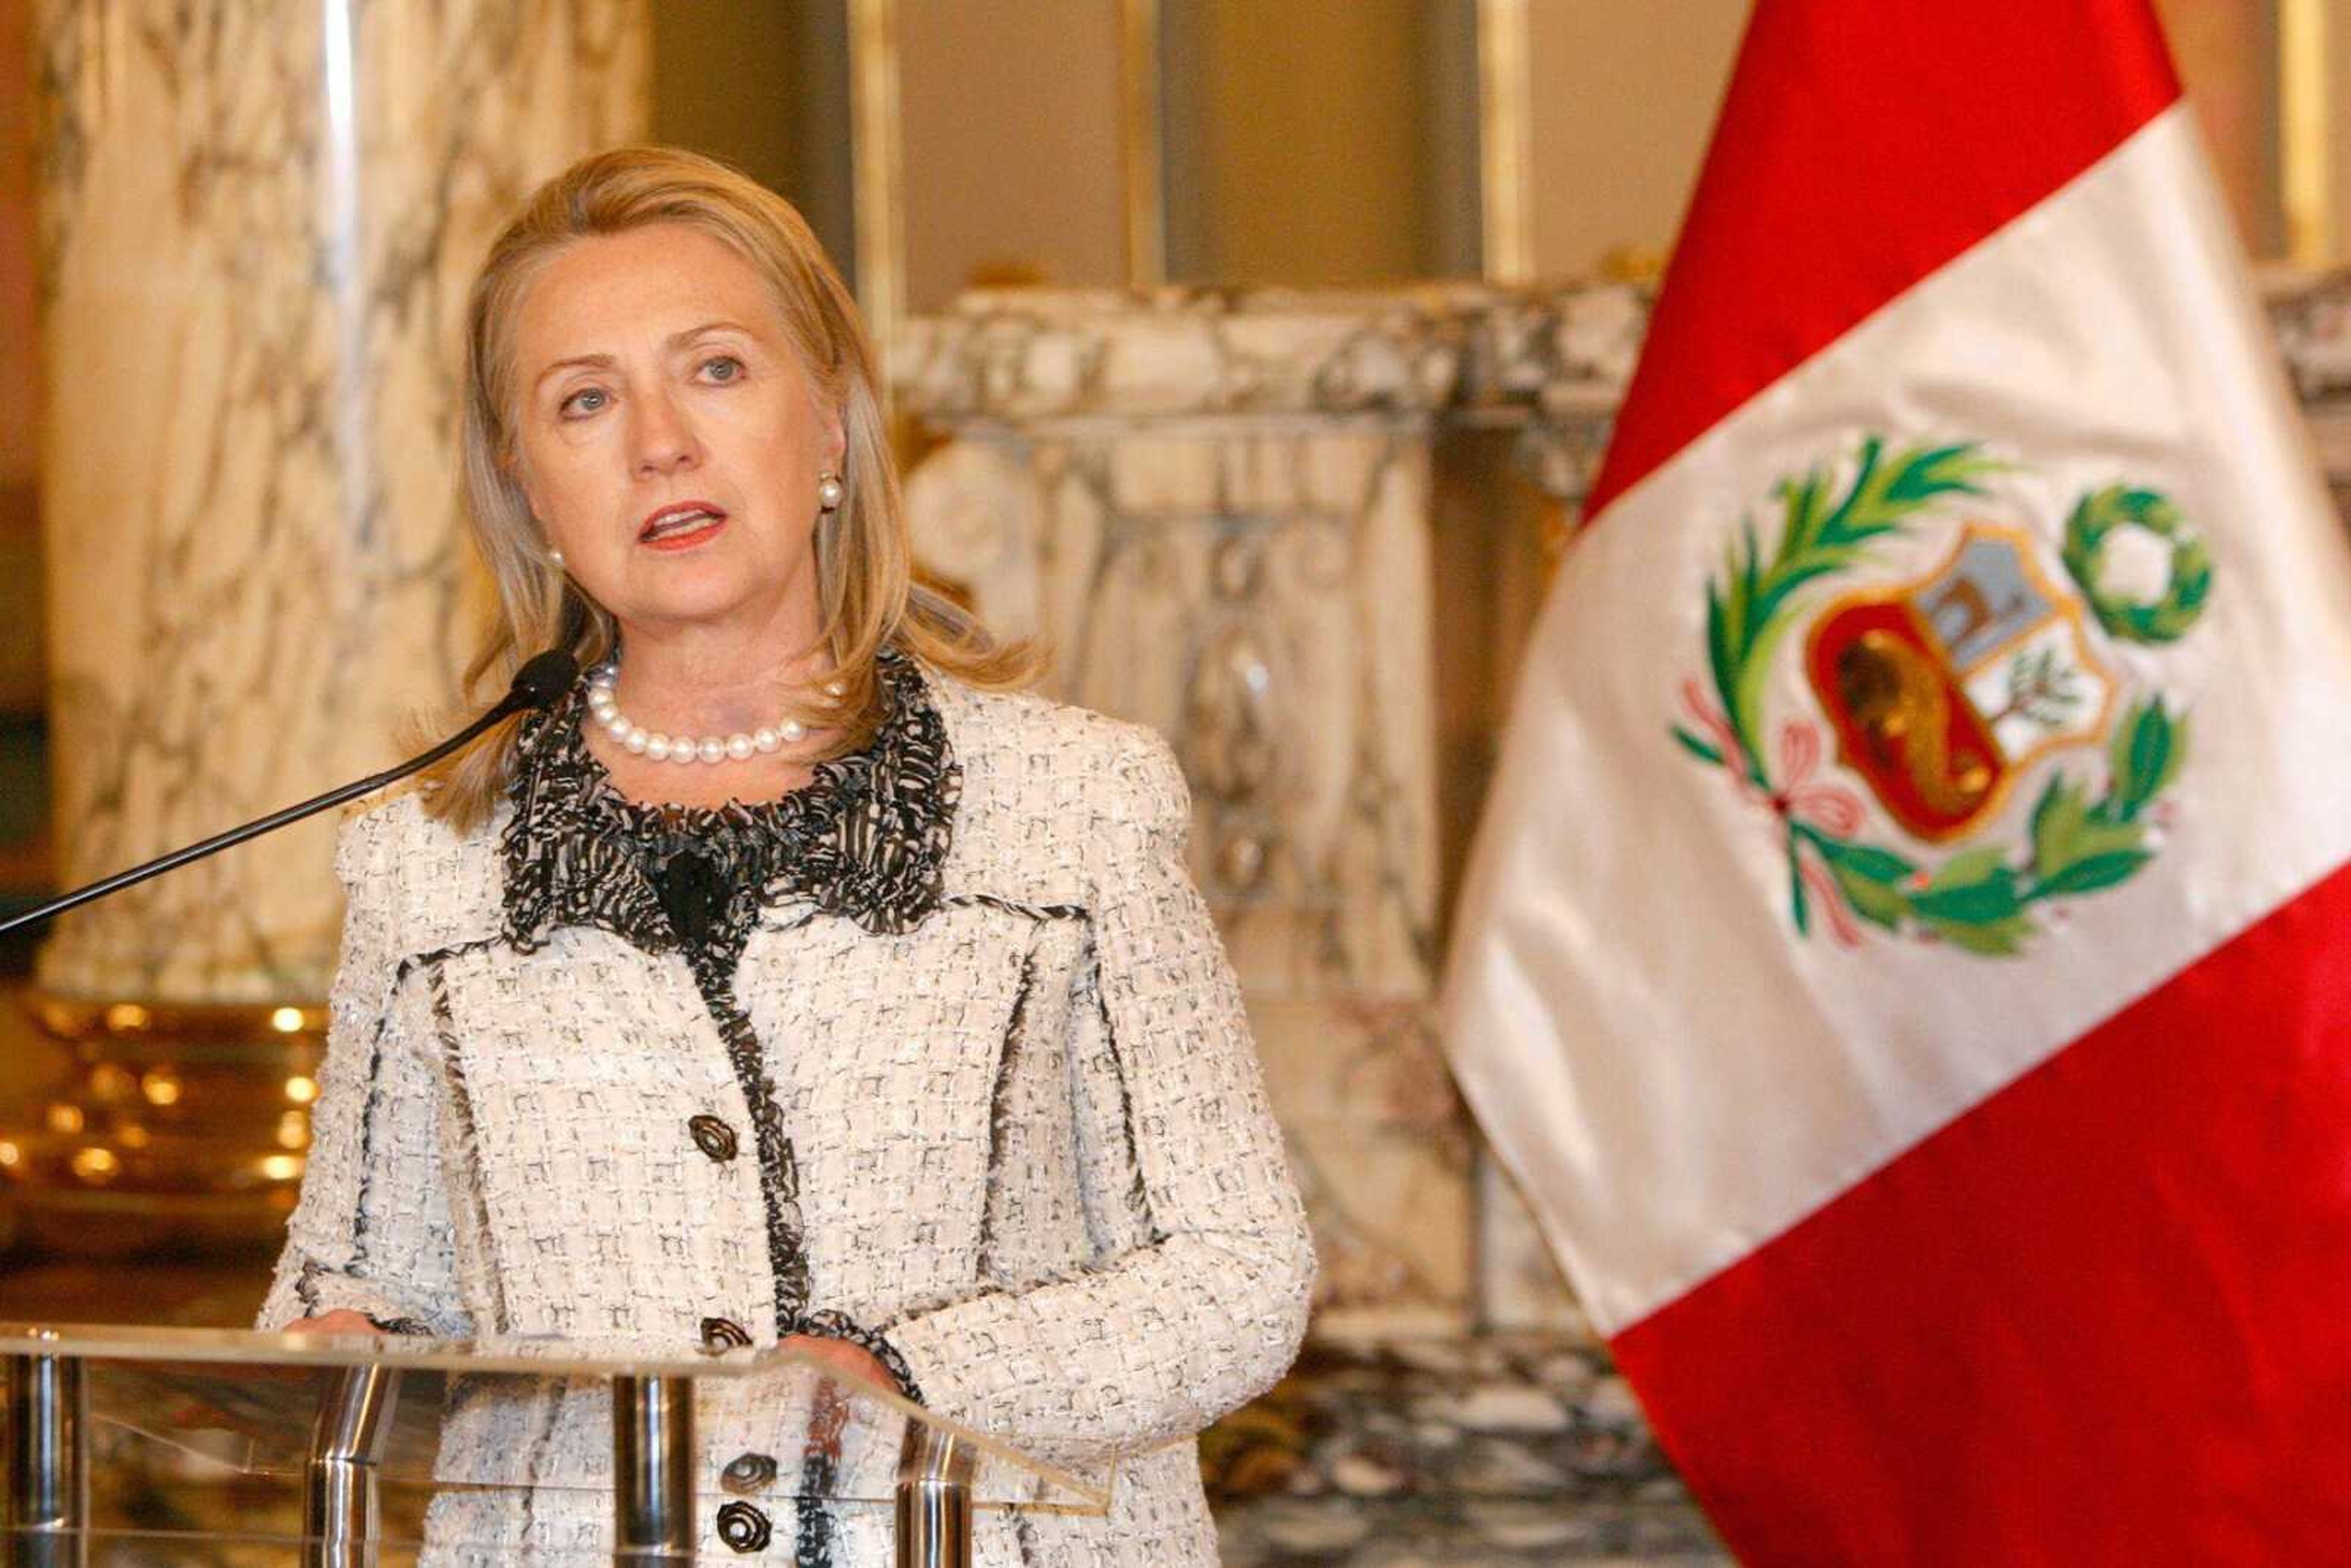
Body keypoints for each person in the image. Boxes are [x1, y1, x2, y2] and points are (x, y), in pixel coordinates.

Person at [257, 145, 1315, 1565]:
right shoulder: (425, 863)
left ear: (830, 420)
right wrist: (342, 1336)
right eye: (585, 401)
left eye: (716, 371)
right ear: (523, 487)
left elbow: (1236, 1279)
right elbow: (359, 1277)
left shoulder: (1073, 809)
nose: (659, 445)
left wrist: (914, 1379)